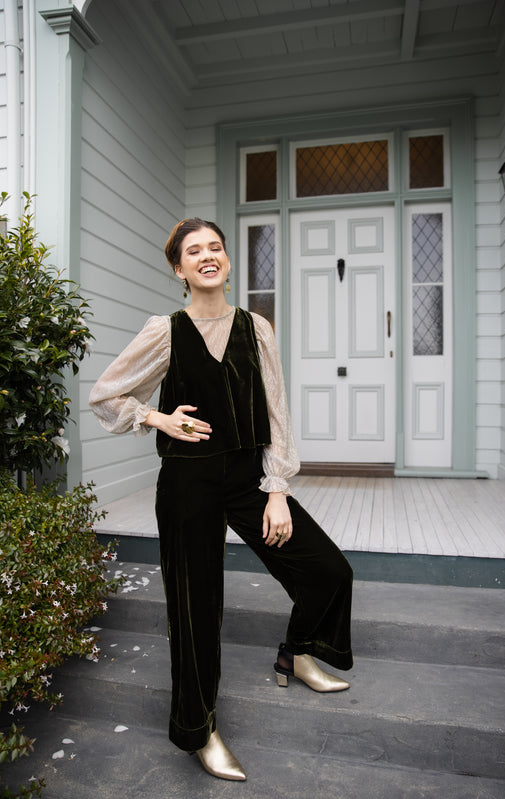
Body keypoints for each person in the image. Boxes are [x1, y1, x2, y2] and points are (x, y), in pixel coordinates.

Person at [89, 218, 353, 782]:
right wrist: (157, 417)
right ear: (178, 269)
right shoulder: (165, 331)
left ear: (228, 261)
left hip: (249, 478)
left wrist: (276, 488)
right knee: (195, 610)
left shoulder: (256, 328)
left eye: (215, 247)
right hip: (187, 482)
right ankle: (199, 728)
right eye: (194, 251)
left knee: (327, 569)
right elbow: (106, 394)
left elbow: (277, 411)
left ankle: (299, 652)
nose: (207, 256)